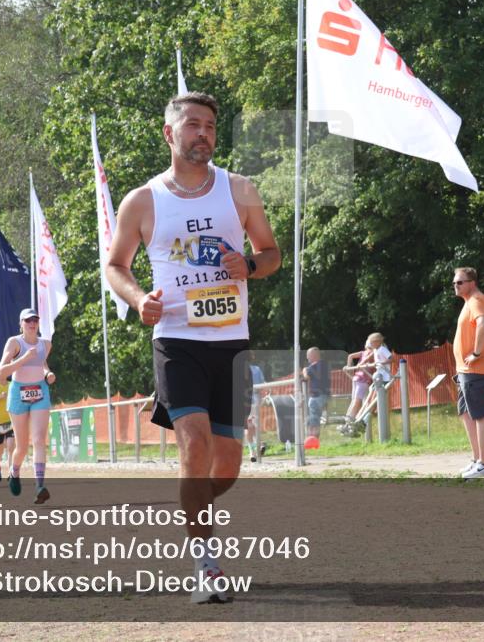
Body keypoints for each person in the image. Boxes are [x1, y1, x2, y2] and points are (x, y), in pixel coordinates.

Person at [106, 91, 280, 603]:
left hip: (231, 341)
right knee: (195, 444)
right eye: (193, 125)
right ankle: (206, 567)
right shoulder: (142, 201)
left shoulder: (240, 190)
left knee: (227, 465)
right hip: (176, 340)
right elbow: (115, 265)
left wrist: (250, 265)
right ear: (170, 133)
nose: (203, 133)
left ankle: (192, 502)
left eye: (210, 126)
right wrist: (139, 300)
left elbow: (271, 253)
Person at [0, 308, 56, 504]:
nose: (32, 323)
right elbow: (2, 372)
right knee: (21, 447)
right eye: (28, 320)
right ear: (21, 324)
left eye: (35, 320)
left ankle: (40, 486)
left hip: (40, 391)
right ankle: (14, 472)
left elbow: (42, 363)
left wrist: (48, 373)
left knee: (39, 440)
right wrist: (23, 359)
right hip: (18, 393)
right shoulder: (14, 342)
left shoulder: (46, 344)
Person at [451, 267, 484, 480]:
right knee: (465, 412)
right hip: (466, 370)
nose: (455, 286)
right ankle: (477, 459)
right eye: (454, 283)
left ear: (472, 282)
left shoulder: (476, 300)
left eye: (460, 282)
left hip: (477, 369)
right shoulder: (469, 301)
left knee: (480, 414)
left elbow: (483, 323)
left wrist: (476, 353)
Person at [301, 347, 330, 439]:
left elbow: (306, 377)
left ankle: (313, 438)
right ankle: (314, 437)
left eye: (308, 356)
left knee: (314, 418)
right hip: (324, 395)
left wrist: (304, 370)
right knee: (315, 417)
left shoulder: (314, 366)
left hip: (316, 396)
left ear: (314, 355)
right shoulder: (324, 364)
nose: (307, 358)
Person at [344, 342, 374, 423]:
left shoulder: (363, 353)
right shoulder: (372, 353)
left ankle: (350, 419)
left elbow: (350, 356)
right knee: (357, 401)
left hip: (357, 378)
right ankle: (350, 420)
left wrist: (349, 366)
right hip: (363, 380)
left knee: (357, 400)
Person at [245, 353, 266, 463]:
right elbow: (263, 385)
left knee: (249, 426)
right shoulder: (256, 369)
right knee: (253, 425)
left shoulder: (255, 369)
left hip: (248, 402)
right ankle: (258, 446)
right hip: (253, 401)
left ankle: (253, 450)